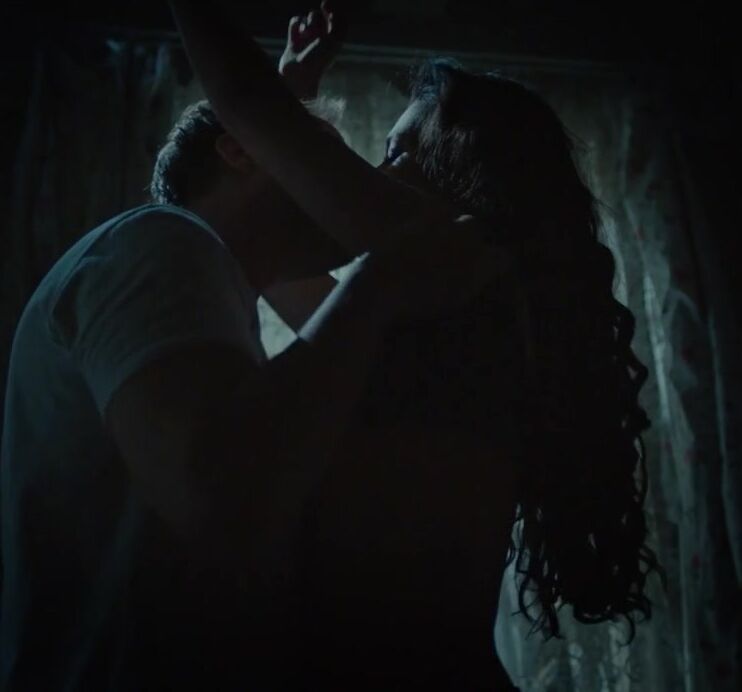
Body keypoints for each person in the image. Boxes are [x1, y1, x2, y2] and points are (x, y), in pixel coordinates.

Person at [0, 9, 504, 692]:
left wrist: (285, 96)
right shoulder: (160, 241)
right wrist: (380, 277)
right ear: (242, 151)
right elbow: (224, 497)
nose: (341, 180)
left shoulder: (201, 274)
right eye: (315, 153)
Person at [169, 2, 665, 689]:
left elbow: (245, 103)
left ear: (466, 169)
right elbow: (274, 263)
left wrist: (274, 95)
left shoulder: (464, 261)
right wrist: (292, 91)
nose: (377, 170)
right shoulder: (435, 308)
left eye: (399, 151)